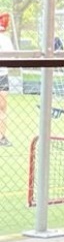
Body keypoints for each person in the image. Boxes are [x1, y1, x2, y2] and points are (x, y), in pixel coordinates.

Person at [0, 12, 12, 147]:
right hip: (2, 75)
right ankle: (2, 137)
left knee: (2, 109)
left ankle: (2, 137)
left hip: (2, 75)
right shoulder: (6, 39)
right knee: (2, 109)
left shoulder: (5, 39)